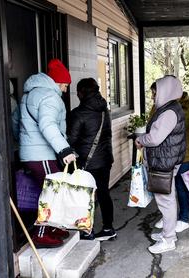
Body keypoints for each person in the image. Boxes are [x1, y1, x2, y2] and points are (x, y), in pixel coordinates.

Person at [17, 58, 77, 248]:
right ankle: (41, 234)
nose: (66, 90)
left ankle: (53, 227)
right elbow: (47, 124)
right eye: (66, 85)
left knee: (49, 190)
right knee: (53, 192)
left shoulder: (28, 95)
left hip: (30, 153)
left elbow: (14, 122)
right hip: (41, 154)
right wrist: (64, 149)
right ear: (58, 82)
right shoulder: (51, 97)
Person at [135, 75, 186, 254]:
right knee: (167, 200)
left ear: (165, 91)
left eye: (154, 93)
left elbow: (155, 138)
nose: (153, 97)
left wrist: (141, 139)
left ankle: (169, 239)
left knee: (166, 201)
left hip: (164, 163)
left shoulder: (169, 112)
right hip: (167, 160)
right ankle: (168, 232)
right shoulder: (171, 108)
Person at [68, 78, 116, 241]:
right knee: (103, 193)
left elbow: (71, 140)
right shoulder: (104, 109)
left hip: (86, 163)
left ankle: (87, 231)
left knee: (84, 196)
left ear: (81, 93)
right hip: (105, 160)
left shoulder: (78, 113)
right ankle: (109, 228)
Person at [154, 91, 189, 233]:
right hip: (165, 155)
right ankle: (168, 218)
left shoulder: (188, 106)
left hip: (185, 154)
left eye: (155, 92)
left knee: (182, 187)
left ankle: (184, 218)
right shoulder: (159, 106)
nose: (153, 96)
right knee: (165, 188)